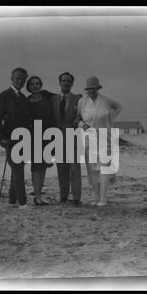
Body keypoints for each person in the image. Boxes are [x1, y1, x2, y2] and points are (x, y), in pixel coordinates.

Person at [76, 76, 123, 207]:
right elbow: (78, 118)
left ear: (98, 88)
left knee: (104, 167)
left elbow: (120, 106)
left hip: (104, 136)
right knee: (92, 169)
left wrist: (110, 119)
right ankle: (96, 198)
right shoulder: (82, 102)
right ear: (86, 90)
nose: (91, 91)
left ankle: (103, 198)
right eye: (89, 89)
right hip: (88, 138)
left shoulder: (106, 100)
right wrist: (81, 125)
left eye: (94, 89)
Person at [0, 67, 31, 209]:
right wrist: (1, 137)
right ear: (12, 79)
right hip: (9, 139)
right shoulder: (4, 96)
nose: (20, 81)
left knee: (18, 168)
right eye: (17, 79)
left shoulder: (23, 98)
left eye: (23, 79)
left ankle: (12, 200)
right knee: (17, 169)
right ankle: (23, 203)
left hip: (24, 139)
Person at [51, 72, 83, 207]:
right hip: (58, 136)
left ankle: (76, 198)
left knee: (75, 168)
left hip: (73, 135)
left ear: (72, 83)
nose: (66, 83)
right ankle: (63, 196)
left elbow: (84, 114)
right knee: (61, 168)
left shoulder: (79, 99)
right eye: (63, 81)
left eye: (68, 81)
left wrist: (78, 119)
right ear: (60, 83)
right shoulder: (53, 99)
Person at [25, 76, 56, 206]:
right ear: (29, 87)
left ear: (41, 85)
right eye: (32, 84)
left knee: (44, 166)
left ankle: (39, 194)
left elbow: (59, 98)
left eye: (37, 83)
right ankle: (37, 196)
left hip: (48, 136)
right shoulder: (26, 102)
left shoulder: (46, 95)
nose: (35, 86)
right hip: (34, 135)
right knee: (36, 167)